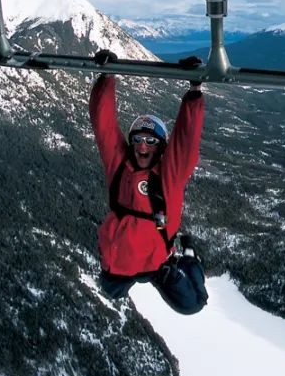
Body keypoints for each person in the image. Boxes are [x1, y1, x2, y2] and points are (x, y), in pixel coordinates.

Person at [89, 49, 209, 314]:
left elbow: (185, 144)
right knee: (109, 292)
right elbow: (104, 125)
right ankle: (182, 260)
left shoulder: (168, 176)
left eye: (151, 141)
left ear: (161, 147)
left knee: (192, 305)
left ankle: (189, 258)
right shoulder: (120, 166)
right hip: (120, 263)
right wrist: (106, 77)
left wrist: (195, 91)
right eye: (137, 140)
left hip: (157, 263)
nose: (143, 146)